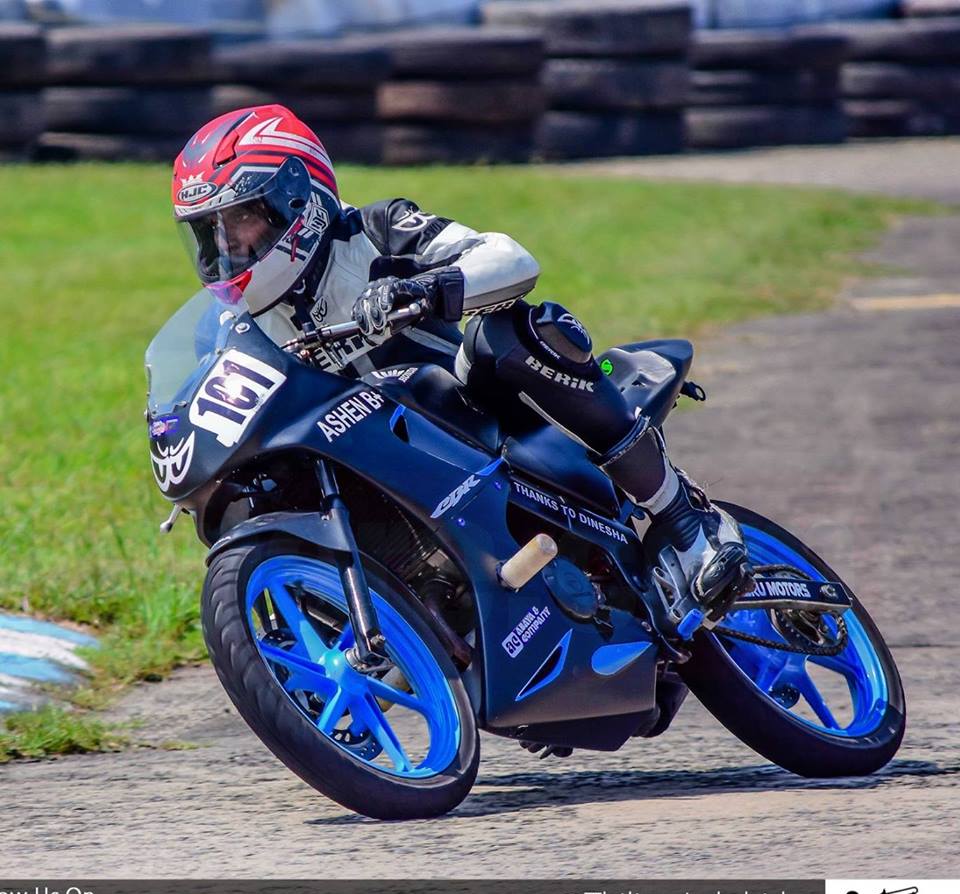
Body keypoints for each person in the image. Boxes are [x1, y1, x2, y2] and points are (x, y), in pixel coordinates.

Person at [172, 104, 753, 626]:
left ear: (296, 197)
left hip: (470, 410)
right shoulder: (232, 327)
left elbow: (510, 259)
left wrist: (427, 288)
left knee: (510, 330)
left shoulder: (374, 231)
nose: (225, 245)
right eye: (208, 232)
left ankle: (682, 522)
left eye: (240, 220)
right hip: (379, 462)